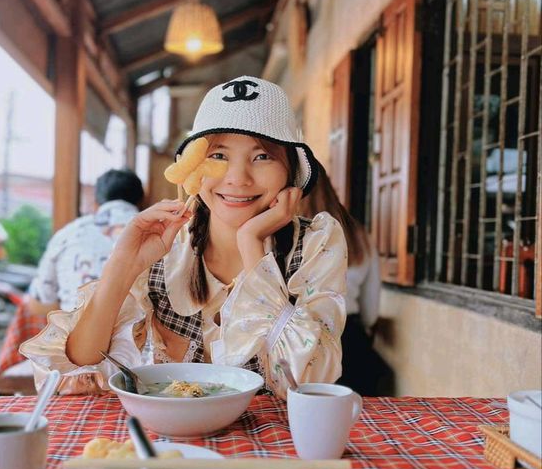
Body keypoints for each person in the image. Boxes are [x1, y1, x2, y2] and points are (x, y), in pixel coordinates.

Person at [21, 76, 348, 398]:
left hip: (278, 432)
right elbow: (78, 368)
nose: (237, 179)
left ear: (290, 171)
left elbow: (309, 381)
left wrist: (251, 245)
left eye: (262, 156)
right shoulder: (168, 247)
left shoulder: (315, 242)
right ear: (192, 169)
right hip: (172, 429)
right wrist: (123, 264)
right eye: (218, 155)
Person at [299, 165, 391, 396]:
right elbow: (371, 311)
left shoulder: (286, 232)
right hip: (351, 340)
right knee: (356, 412)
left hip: (301, 336)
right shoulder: (358, 235)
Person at [26, 168, 144, 316]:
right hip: (142, 329)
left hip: (76, 326)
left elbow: (38, 302)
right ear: (142, 201)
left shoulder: (68, 234)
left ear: (95, 202)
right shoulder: (158, 233)